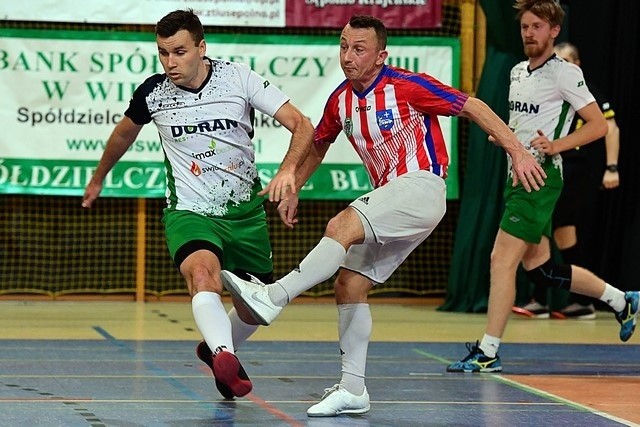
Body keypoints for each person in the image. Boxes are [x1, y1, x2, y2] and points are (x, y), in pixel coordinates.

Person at [218, 14, 546, 416]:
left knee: (341, 225)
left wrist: (516, 149)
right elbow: (318, 143)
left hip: (422, 185)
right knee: (350, 285)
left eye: (359, 49)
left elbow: (471, 105)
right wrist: (296, 185)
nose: (348, 56)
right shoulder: (340, 99)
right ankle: (353, 389)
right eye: (343, 46)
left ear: (379, 56)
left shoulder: (406, 85)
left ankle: (274, 296)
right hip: (394, 197)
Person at [81, 9, 314, 398]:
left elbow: (302, 124)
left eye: (179, 51)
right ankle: (224, 353)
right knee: (203, 274)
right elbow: (123, 136)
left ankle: (214, 348)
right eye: (162, 52)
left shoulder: (238, 78)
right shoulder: (153, 92)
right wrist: (99, 176)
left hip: (244, 213)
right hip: (188, 211)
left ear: (201, 47)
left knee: (257, 309)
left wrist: (289, 172)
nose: (170, 62)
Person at [446, 0, 638, 374]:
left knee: (501, 261)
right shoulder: (518, 72)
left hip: (540, 176)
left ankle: (488, 350)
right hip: (515, 173)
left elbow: (598, 125)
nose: (529, 33)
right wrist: (505, 139)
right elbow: (523, 124)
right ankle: (622, 299)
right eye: (524, 27)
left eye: (536, 26)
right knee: (543, 269)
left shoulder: (565, 74)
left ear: (554, 31)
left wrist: (557, 145)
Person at [513, 41, 621, 320]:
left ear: (577, 65)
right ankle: (558, 299)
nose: (558, 66)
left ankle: (570, 299)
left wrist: (611, 167)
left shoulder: (585, 91)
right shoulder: (542, 88)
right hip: (550, 163)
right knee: (557, 230)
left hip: (573, 166)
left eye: (565, 61)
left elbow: (609, 127)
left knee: (551, 227)